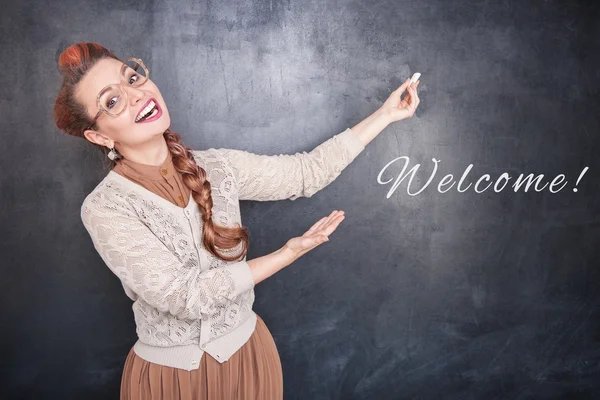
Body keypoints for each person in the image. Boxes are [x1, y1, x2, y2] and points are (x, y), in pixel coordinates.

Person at [53, 42, 420, 400]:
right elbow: (184, 297)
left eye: (132, 79)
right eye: (112, 101)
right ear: (98, 135)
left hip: (251, 359)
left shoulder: (218, 167)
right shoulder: (104, 207)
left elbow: (305, 173)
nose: (135, 95)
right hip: (174, 381)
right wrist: (286, 254)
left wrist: (386, 115)